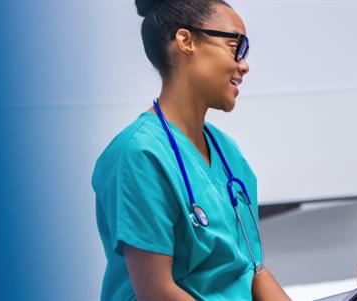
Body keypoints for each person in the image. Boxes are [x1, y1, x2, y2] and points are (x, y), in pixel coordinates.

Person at [92, 0, 289, 299]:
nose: (244, 64)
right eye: (235, 45)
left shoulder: (227, 153)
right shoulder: (138, 156)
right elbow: (157, 292)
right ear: (186, 41)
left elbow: (253, 270)